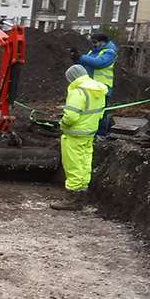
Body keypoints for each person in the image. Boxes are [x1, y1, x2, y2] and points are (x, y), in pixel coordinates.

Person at [51, 64, 109, 211]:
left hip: (74, 134)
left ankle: (72, 198)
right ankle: (82, 194)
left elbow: (70, 116)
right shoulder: (98, 90)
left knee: (73, 165)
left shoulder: (78, 91)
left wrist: (62, 124)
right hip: (89, 133)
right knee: (84, 163)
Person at [69, 32, 118, 136]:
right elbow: (86, 63)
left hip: (103, 87)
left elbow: (98, 63)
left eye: (95, 42)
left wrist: (81, 57)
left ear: (103, 42)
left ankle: (101, 135)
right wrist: (76, 58)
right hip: (91, 87)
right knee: (90, 111)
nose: (93, 45)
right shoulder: (93, 51)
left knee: (100, 113)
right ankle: (91, 132)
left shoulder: (110, 52)